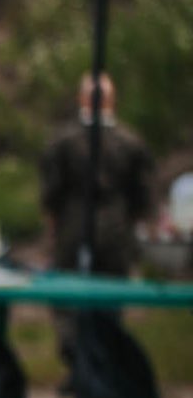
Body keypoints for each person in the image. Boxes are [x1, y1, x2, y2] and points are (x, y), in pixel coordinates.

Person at [40, 72, 159, 375]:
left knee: (69, 301)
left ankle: (81, 365)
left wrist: (53, 232)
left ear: (83, 99)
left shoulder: (64, 141)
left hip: (74, 228)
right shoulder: (129, 142)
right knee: (106, 303)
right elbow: (144, 199)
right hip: (115, 230)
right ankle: (100, 368)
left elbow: (51, 195)